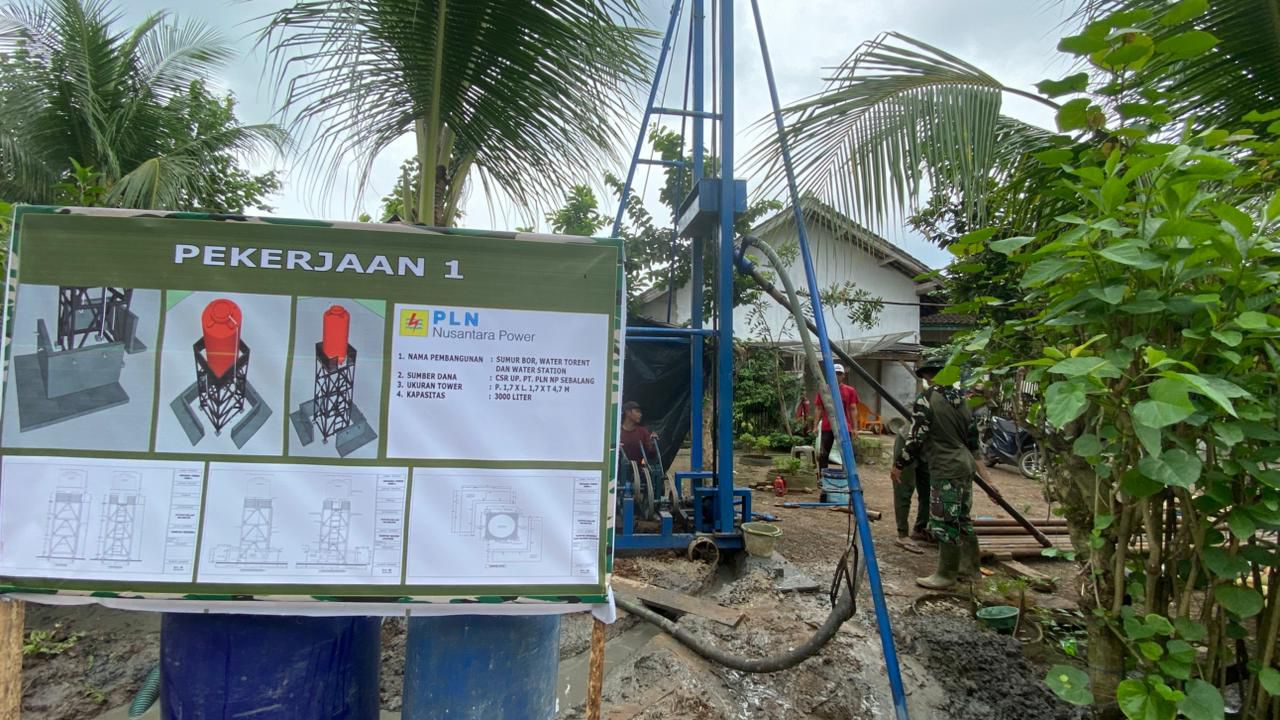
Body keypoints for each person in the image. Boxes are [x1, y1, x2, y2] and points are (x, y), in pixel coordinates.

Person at [891, 355, 987, 590]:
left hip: (945, 467)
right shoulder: (962, 401)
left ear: (926, 375)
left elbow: (917, 437)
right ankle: (970, 570)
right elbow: (973, 441)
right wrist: (987, 478)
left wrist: (900, 463)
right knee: (962, 518)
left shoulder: (927, 398)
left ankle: (945, 575)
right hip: (964, 465)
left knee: (945, 520)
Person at [888, 415, 930, 554]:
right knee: (904, 488)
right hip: (909, 441)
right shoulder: (929, 405)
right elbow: (917, 433)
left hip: (928, 446)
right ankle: (903, 534)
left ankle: (920, 529)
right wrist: (900, 463)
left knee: (928, 488)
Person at [813, 364, 859, 470]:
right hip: (827, 426)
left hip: (844, 426)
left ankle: (847, 475)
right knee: (824, 453)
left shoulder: (850, 390)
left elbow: (853, 409)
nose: (837, 376)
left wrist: (855, 428)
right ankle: (823, 476)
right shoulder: (823, 390)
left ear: (843, 376)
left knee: (847, 454)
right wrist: (815, 426)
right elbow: (819, 408)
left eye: (839, 374)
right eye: (835, 373)